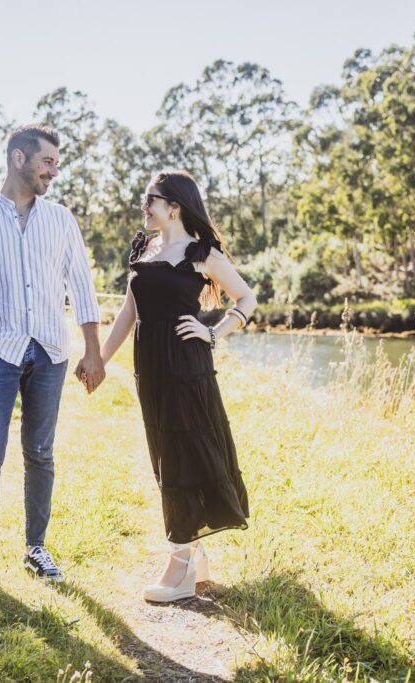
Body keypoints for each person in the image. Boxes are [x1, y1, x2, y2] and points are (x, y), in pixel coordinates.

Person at [0, 124, 105, 597]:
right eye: (47, 161)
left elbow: (81, 287)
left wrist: (93, 350)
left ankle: (36, 549)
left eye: (55, 162)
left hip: (50, 351)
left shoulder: (62, 220)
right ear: (18, 159)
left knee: (41, 453)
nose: (54, 170)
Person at [99, 169, 256, 602]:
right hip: (149, 367)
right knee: (164, 454)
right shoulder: (144, 249)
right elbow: (128, 313)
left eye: (150, 198)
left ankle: (181, 565)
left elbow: (247, 298)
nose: (143, 206)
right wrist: (98, 359)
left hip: (187, 365)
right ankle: (194, 553)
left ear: (174, 205)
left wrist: (212, 332)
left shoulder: (201, 253)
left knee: (182, 453)